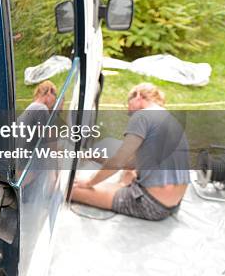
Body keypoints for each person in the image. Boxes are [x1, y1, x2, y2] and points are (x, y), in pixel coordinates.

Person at [71, 83, 189, 221]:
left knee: (72, 189)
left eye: (128, 104)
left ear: (138, 96)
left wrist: (89, 183)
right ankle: (119, 188)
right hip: (173, 203)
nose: (128, 112)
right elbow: (130, 164)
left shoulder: (142, 116)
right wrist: (91, 156)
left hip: (151, 204)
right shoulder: (168, 118)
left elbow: (118, 161)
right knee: (128, 173)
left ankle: (118, 190)